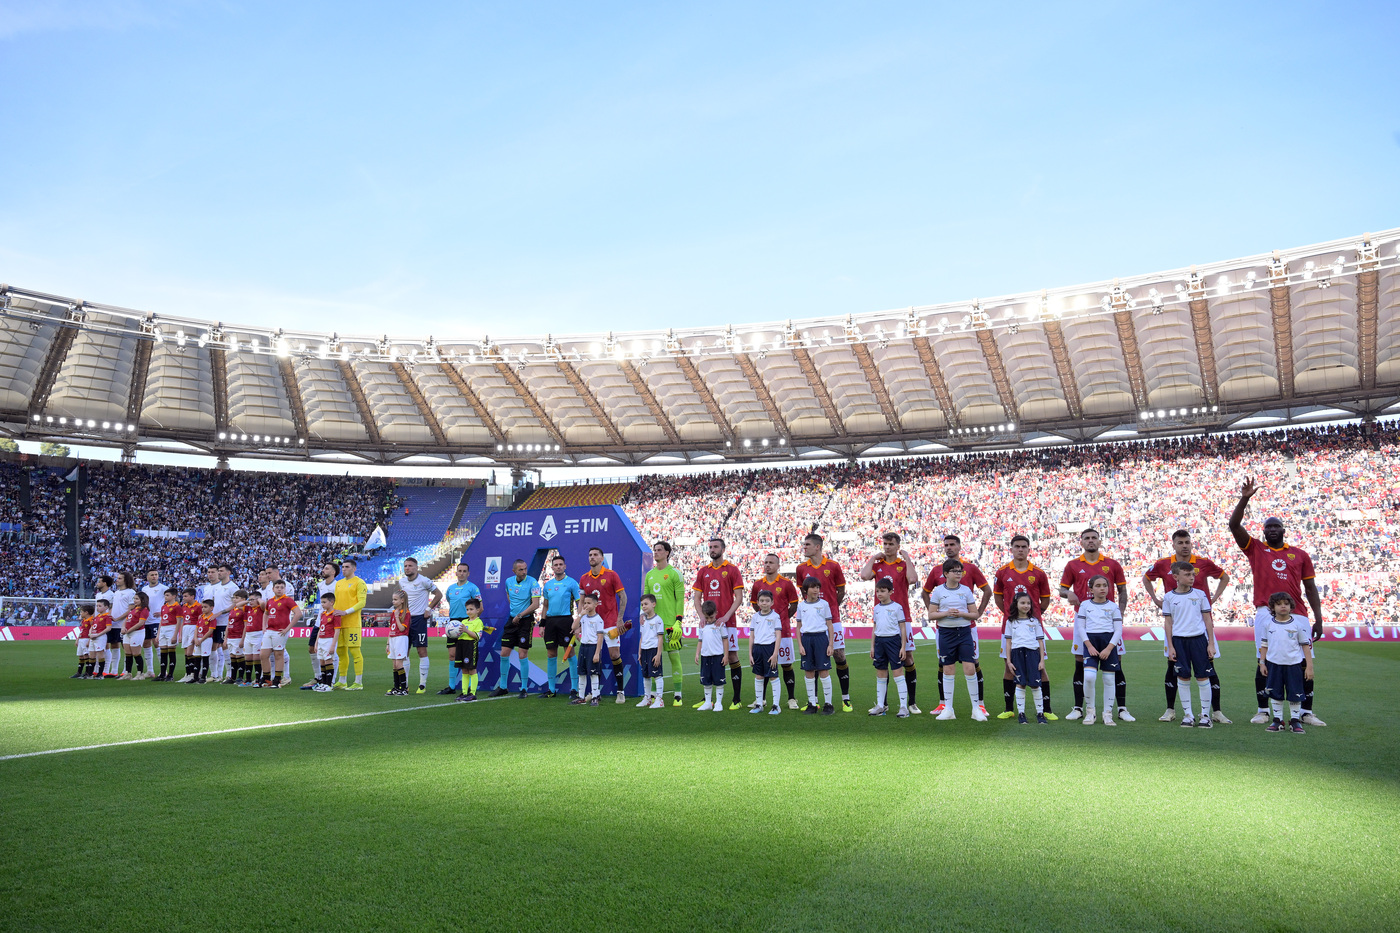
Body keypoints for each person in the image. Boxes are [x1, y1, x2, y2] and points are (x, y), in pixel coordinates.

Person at [1229, 478, 1326, 727]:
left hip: (1299, 614)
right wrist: (1245, 498)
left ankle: (1306, 711)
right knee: (1265, 660)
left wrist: (1319, 617)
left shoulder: (1300, 555)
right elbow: (1234, 524)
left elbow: (1311, 588)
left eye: (1277, 526)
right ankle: (1263, 710)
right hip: (1265, 613)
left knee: (1303, 661)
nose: (1272, 530)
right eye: (1268, 527)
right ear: (1264, 532)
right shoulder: (1256, 549)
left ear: (1283, 531)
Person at [1142, 530, 1230, 723]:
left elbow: (1225, 577)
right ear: (1173, 544)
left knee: (1209, 668)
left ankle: (1215, 712)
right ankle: (1171, 710)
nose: (1184, 545)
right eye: (1180, 542)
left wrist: (1213, 598)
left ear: (1192, 544)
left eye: (1187, 542)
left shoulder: (1203, 562)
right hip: (1176, 626)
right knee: (1173, 667)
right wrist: (1156, 599)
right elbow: (1146, 578)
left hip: (1200, 626)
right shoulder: (1163, 564)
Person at [1060, 529, 1133, 722]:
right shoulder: (1073, 565)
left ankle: (1122, 708)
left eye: (1094, 538)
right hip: (1084, 624)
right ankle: (1078, 707)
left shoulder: (1112, 564)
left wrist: (1121, 612)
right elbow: (1062, 589)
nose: (1091, 541)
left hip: (1108, 623)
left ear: (1099, 541)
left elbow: (1122, 590)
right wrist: (1068, 594)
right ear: (1081, 542)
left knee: (1116, 664)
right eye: (1087, 538)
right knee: (1080, 663)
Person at [924, 534, 993, 717]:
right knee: (944, 663)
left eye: (952, 544)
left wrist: (978, 612)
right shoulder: (936, 570)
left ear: (959, 546)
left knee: (973, 663)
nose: (948, 548)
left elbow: (987, 590)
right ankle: (944, 704)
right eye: (946, 545)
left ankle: (980, 704)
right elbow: (926, 593)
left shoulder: (970, 568)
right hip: (944, 629)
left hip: (967, 628)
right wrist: (937, 614)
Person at [989, 534, 1055, 721]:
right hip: (1010, 628)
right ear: (1011, 548)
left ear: (1028, 549)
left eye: (1023, 546)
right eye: (1017, 546)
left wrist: (1033, 615)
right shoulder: (1002, 572)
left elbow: (1046, 599)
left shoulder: (1039, 573)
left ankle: (1047, 709)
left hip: (1034, 628)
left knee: (1040, 667)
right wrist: (1012, 616)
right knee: (1010, 667)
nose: (1020, 549)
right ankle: (1009, 708)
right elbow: (998, 598)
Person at [861, 533, 920, 714]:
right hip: (882, 618)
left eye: (890, 544)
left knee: (907, 658)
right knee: (882, 663)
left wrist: (908, 557)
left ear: (897, 546)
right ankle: (883, 703)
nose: (887, 547)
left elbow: (913, 579)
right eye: (885, 544)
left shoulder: (902, 565)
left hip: (902, 618)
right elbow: (864, 576)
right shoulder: (878, 566)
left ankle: (911, 702)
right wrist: (872, 558)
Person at [796, 533, 849, 711]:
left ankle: (845, 698)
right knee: (812, 660)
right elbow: (803, 594)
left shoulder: (833, 566)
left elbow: (841, 590)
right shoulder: (801, 568)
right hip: (812, 623)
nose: (804, 548)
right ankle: (814, 702)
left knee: (839, 656)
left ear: (817, 547)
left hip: (832, 619)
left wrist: (831, 606)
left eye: (807, 544)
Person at [927, 559, 984, 721]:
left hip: (964, 633)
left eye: (960, 571)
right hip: (946, 633)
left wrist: (961, 613)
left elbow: (975, 614)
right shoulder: (938, 591)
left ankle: (976, 709)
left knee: (970, 668)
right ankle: (948, 709)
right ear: (946, 574)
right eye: (955, 571)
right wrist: (946, 613)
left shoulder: (966, 590)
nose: (959, 574)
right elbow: (931, 615)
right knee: (948, 670)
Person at [1161, 562, 1217, 729]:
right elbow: (1168, 623)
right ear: (1176, 577)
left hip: (1198, 640)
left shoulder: (1200, 594)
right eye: (1187, 574)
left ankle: (1205, 716)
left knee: (1202, 677)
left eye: (1193, 574)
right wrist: (1170, 646)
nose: (1192, 577)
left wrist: (1211, 644)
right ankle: (1188, 715)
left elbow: (1208, 620)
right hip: (1179, 642)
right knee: (1183, 677)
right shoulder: (1169, 597)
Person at [691, 537, 745, 709]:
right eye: (710, 547)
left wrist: (726, 617)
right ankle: (707, 698)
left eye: (715, 547)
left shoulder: (732, 570)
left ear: (723, 549)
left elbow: (739, 597)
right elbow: (697, 598)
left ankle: (736, 699)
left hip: (726, 622)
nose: (712, 549)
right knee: (708, 656)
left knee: (731, 656)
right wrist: (701, 617)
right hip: (708, 623)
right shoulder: (703, 572)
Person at [750, 552, 801, 710]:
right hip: (764, 636)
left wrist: (783, 618)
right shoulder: (758, 584)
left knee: (786, 664)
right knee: (764, 665)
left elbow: (793, 605)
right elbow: (754, 605)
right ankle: (762, 699)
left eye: (771, 562)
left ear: (778, 566)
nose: (767, 565)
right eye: (765, 562)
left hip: (783, 632)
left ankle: (791, 698)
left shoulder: (786, 583)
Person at [1258, 592, 1314, 733]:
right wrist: (1262, 663)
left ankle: (1295, 721)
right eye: (1279, 604)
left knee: (1294, 693)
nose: (1283, 606)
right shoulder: (1268, 624)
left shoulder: (1297, 625)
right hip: (1274, 664)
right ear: (1273, 607)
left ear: (1291, 606)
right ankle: (1278, 720)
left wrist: (1309, 667)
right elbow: (1264, 645)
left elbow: (1305, 646)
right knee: (1275, 692)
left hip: (1293, 664)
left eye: (1286, 604)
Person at [644, 541, 688, 707]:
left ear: (667, 553)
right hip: (653, 625)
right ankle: (655, 695)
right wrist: (644, 615)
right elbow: (645, 599)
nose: (656, 553)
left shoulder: (675, 573)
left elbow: (680, 599)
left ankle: (677, 694)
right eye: (654, 550)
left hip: (670, 624)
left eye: (659, 550)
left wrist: (678, 621)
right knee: (655, 659)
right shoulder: (650, 575)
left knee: (674, 658)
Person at [581, 547, 629, 702]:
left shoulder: (611, 575)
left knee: (614, 655)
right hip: (592, 624)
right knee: (594, 657)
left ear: (602, 558)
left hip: (610, 622)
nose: (592, 557)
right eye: (590, 555)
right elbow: (582, 602)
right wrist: (581, 620)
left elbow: (623, 597)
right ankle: (595, 693)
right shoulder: (584, 578)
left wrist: (620, 618)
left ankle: (620, 691)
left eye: (595, 555)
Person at [1076, 576, 1123, 726]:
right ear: (1091, 589)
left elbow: (1118, 630)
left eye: (1104, 585)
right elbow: (1081, 627)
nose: (1102, 588)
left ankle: (1107, 714)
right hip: (1091, 642)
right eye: (1098, 586)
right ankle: (1090, 712)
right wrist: (1089, 646)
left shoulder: (1113, 607)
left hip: (1108, 643)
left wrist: (1109, 648)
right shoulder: (1084, 605)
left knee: (1109, 680)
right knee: (1089, 677)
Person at [495, 559, 540, 698]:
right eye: (521, 569)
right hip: (512, 620)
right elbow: (509, 596)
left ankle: (524, 688)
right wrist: (515, 613)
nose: (524, 572)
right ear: (514, 571)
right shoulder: (509, 581)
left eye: (525, 569)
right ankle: (503, 687)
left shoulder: (533, 583)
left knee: (522, 654)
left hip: (525, 622)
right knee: (504, 653)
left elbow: (536, 604)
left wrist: (520, 615)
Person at [397, 556, 443, 695]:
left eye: (410, 566)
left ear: (416, 567)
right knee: (404, 653)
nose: (407, 568)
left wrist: (428, 609)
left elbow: (438, 594)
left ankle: (422, 684)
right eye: (405, 566)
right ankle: (404, 685)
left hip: (419, 619)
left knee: (421, 651)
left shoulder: (424, 581)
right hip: (405, 619)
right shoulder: (402, 582)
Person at [539, 555, 580, 699]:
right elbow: (545, 605)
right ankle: (551, 690)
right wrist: (542, 624)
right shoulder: (548, 585)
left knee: (569, 652)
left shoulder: (572, 583)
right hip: (550, 622)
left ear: (565, 566)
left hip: (565, 621)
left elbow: (579, 603)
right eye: (555, 564)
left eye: (560, 564)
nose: (558, 567)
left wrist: (578, 623)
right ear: (552, 567)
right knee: (551, 654)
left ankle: (575, 689)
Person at [868, 579, 910, 718]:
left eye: (883, 591)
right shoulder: (876, 608)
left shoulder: (897, 607)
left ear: (891, 592)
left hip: (893, 641)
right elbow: (874, 628)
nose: (879, 593)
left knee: (898, 673)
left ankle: (904, 707)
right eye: (878, 591)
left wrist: (903, 647)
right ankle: (880, 705)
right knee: (880, 673)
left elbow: (903, 628)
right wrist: (872, 646)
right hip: (880, 642)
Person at [440, 562, 482, 696]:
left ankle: (470, 689)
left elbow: (480, 607)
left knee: (467, 657)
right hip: (453, 624)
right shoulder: (450, 589)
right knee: (452, 655)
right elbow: (450, 602)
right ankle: (452, 686)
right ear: (456, 573)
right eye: (460, 571)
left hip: (466, 623)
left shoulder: (473, 588)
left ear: (468, 573)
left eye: (464, 571)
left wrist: (472, 622)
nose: (462, 573)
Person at [794, 577, 836, 715]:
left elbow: (829, 625)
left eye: (818, 587)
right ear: (806, 590)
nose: (817, 590)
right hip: (807, 639)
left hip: (820, 638)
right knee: (809, 672)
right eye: (813, 587)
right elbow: (798, 626)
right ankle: (812, 703)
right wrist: (800, 644)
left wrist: (830, 644)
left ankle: (828, 704)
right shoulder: (801, 606)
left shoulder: (824, 604)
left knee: (824, 671)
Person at [1005, 593, 1048, 724]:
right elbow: (1008, 642)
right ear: (1016, 604)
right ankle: (1021, 713)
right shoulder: (1011, 622)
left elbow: (1040, 642)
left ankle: (1040, 713)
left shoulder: (1034, 621)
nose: (1026, 606)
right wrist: (1009, 661)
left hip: (1033, 654)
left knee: (1035, 684)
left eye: (1028, 603)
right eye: (1022, 603)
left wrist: (1041, 660)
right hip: (1017, 653)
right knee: (1020, 683)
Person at [304, 561, 341, 689]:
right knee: (312, 648)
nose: (323, 570)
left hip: (331, 621)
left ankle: (330, 680)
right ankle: (319, 677)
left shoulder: (338, 585)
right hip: (321, 621)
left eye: (326, 568)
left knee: (331, 652)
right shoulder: (320, 585)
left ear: (333, 572)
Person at [333, 558, 368, 690]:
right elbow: (336, 602)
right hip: (339, 623)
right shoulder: (339, 583)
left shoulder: (359, 582)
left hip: (352, 622)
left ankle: (358, 682)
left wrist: (345, 612)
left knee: (355, 651)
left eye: (347, 567)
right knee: (341, 652)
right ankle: (342, 681)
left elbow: (362, 603)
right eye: (343, 567)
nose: (344, 569)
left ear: (354, 568)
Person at [747, 589, 783, 715]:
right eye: (761, 601)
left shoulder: (775, 616)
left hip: (769, 649)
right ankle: (759, 704)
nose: (764, 603)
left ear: (772, 602)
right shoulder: (755, 617)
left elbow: (778, 636)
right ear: (757, 602)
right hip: (757, 649)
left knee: (773, 676)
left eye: (767, 601)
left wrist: (775, 654)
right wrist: (750, 653)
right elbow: (751, 636)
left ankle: (776, 706)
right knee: (759, 676)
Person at [261, 579, 302, 688]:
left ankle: (277, 680)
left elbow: (298, 614)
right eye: (277, 587)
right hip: (269, 630)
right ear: (273, 589)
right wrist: (263, 626)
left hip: (280, 632)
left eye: (282, 587)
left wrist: (287, 628)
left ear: (285, 589)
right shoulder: (270, 601)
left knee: (278, 655)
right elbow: (265, 614)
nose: (279, 589)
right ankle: (266, 678)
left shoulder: (288, 600)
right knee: (263, 655)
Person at [694, 600, 728, 713]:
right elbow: (700, 640)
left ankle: (718, 702)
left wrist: (726, 655)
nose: (709, 620)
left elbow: (725, 640)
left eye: (711, 617)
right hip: (705, 657)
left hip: (717, 656)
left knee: (719, 681)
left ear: (716, 613)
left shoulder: (720, 624)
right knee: (706, 681)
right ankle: (708, 702)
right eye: (707, 617)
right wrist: (697, 653)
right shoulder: (702, 625)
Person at [572, 593, 605, 707]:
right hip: (583, 647)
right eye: (585, 603)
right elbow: (573, 627)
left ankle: (595, 696)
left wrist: (597, 653)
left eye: (589, 603)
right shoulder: (584, 617)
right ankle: (581, 696)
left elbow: (600, 637)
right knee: (582, 672)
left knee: (593, 673)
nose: (586, 605)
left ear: (596, 604)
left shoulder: (598, 619)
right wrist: (580, 614)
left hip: (593, 647)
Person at [635, 594, 667, 709]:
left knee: (657, 674)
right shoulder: (643, 621)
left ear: (653, 604)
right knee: (646, 675)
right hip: (644, 650)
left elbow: (660, 638)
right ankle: (647, 698)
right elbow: (642, 637)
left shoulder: (658, 620)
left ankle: (659, 699)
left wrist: (658, 654)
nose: (643, 606)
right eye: (642, 604)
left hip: (653, 650)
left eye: (646, 604)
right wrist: (639, 653)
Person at [209, 565, 238, 684]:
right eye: (218, 571)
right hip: (215, 621)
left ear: (228, 573)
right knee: (213, 646)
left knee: (225, 646)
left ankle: (229, 674)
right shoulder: (217, 587)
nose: (219, 573)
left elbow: (235, 604)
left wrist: (221, 612)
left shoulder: (233, 587)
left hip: (226, 621)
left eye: (221, 571)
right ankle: (216, 674)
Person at [455, 597, 485, 702]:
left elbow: (477, 636)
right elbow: (458, 633)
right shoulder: (463, 621)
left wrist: (466, 630)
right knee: (464, 669)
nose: (469, 611)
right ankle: (464, 692)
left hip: (471, 646)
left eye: (471, 609)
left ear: (477, 610)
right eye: (467, 609)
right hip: (461, 645)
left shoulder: (478, 622)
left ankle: (472, 692)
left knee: (471, 669)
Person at [140, 570, 167, 680]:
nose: (154, 577)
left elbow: (172, 602)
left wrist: (163, 612)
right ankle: (150, 670)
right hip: (146, 620)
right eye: (152, 575)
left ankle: (163, 671)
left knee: (157, 643)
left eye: (156, 575)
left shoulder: (163, 588)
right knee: (146, 643)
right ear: (147, 577)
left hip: (157, 620)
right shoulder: (144, 589)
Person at [386, 590, 412, 696]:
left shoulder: (406, 613)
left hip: (401, 638)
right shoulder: (393, 612)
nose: (393, 601)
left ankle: (404, 688)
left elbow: (402, 629)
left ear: (402, 600)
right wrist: (387, 643)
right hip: (392, 639)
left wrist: (397, 617)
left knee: (399, 664)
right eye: (393, 599)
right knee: (394, 665)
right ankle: (396, 688)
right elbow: (391, 629)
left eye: (395, 599)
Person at [313, 593, 339, 692]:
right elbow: (320, 629)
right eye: (321, 602)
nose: (322, 604)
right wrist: (316, 643)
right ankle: (323, 683)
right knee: (322, 661)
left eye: (324, 602)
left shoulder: (335, 614)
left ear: (331, 602)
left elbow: (337, 630)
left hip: (329, 640)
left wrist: (333, 645)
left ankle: (329, 684)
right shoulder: (322, 614)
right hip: (321, 640)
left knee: (328, 661)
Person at [119, 592, 149, 680]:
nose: (135, 601)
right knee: (127, 653)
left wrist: (128, 630)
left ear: (142, 600)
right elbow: (127, 619)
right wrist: (123, 627)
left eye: (137, 599)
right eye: (134, 599)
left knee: (136, 653)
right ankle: (128, 673)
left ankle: (140, 673)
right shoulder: (133, 609)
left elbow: (140, 623)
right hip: (127, 633)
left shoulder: (144, 610)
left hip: (137, 633)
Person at [156, 588, 182, 682]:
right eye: (165, 595)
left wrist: (176, 634)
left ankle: (170, 675)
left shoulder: (177, 607)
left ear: (174, 596)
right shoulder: (164, 607)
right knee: (162, 652)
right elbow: (161, 620)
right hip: (163, 628)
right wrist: (158, 634)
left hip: (172, 628)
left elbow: (179, 621)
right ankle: (163, 674)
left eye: (167, 595)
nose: (166, 597)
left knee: (171, 652)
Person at [177, 587, 202, 683]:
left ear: (192, 596)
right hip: (185, 628)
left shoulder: (198, 606)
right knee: (185, 653)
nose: (183, 598)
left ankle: (193, 673)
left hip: (193, 628)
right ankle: (187, 673)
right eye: (183, 596)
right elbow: (183, 621)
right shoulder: (184, 607)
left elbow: (200, 620)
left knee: (190, 653)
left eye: (185, 596)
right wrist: (180, 634)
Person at [224, 590, 248, 685]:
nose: (234, 599)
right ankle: (232, 677)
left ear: (243, 599)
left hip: (238, 636)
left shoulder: (244, 610)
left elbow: (246, 625)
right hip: (231, 636)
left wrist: (243, 639)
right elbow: (228, 624)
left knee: (239, 656)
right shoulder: (233, 610)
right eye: (234, 597)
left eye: (237, 598)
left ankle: (240, 677)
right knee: (232, 656)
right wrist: (225, 638)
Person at [242, 591, 266, 687]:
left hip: (258, 634)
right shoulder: (248, 609)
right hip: (248, 635)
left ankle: (257, 679)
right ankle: (248, 679)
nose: (250, 602)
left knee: (256, 657)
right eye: (250, 600)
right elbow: (237, 604)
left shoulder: (261, 608)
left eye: (252, 600)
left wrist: (258, 599)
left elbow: (263, 603)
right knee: (248, 657)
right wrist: (248, 600)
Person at [192, 598, 217, 684]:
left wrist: (201, 640)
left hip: (206, 640)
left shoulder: (212, 618)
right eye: (202, 607)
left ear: (211, 608)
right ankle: (195, 677)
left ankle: (203, 677)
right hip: (198, 639)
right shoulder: (201, 617)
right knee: (196, 658)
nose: (203, 609)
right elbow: (196, 628)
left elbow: (210, 631)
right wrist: (195, 638)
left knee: (205, 658)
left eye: (205, 607)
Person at [87, 598, 113, 679]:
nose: (97, 607)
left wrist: (97, 635)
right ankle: (90, 674)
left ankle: (100, 674)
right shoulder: (97, 616)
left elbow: (108, 628)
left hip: (100, 637)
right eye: (97, 606)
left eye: (100, 606)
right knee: (91, 655)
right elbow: (92, 626)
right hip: (93, 637)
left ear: (106, 607)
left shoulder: (107, 616)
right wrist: (90, 633)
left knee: (100, 655)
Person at [73, 604, 95, 678]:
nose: (80, 613)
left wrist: (89, 640)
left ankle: (87, 672)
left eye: (81, 612)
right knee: (81, 655)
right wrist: (77, 639)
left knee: (86, 655)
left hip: (86, 639)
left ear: (86, 612)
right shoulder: (83, 621)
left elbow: (92, 630)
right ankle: (79, 672)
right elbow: (82, 630)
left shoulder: (91, 620)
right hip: (81, 639)